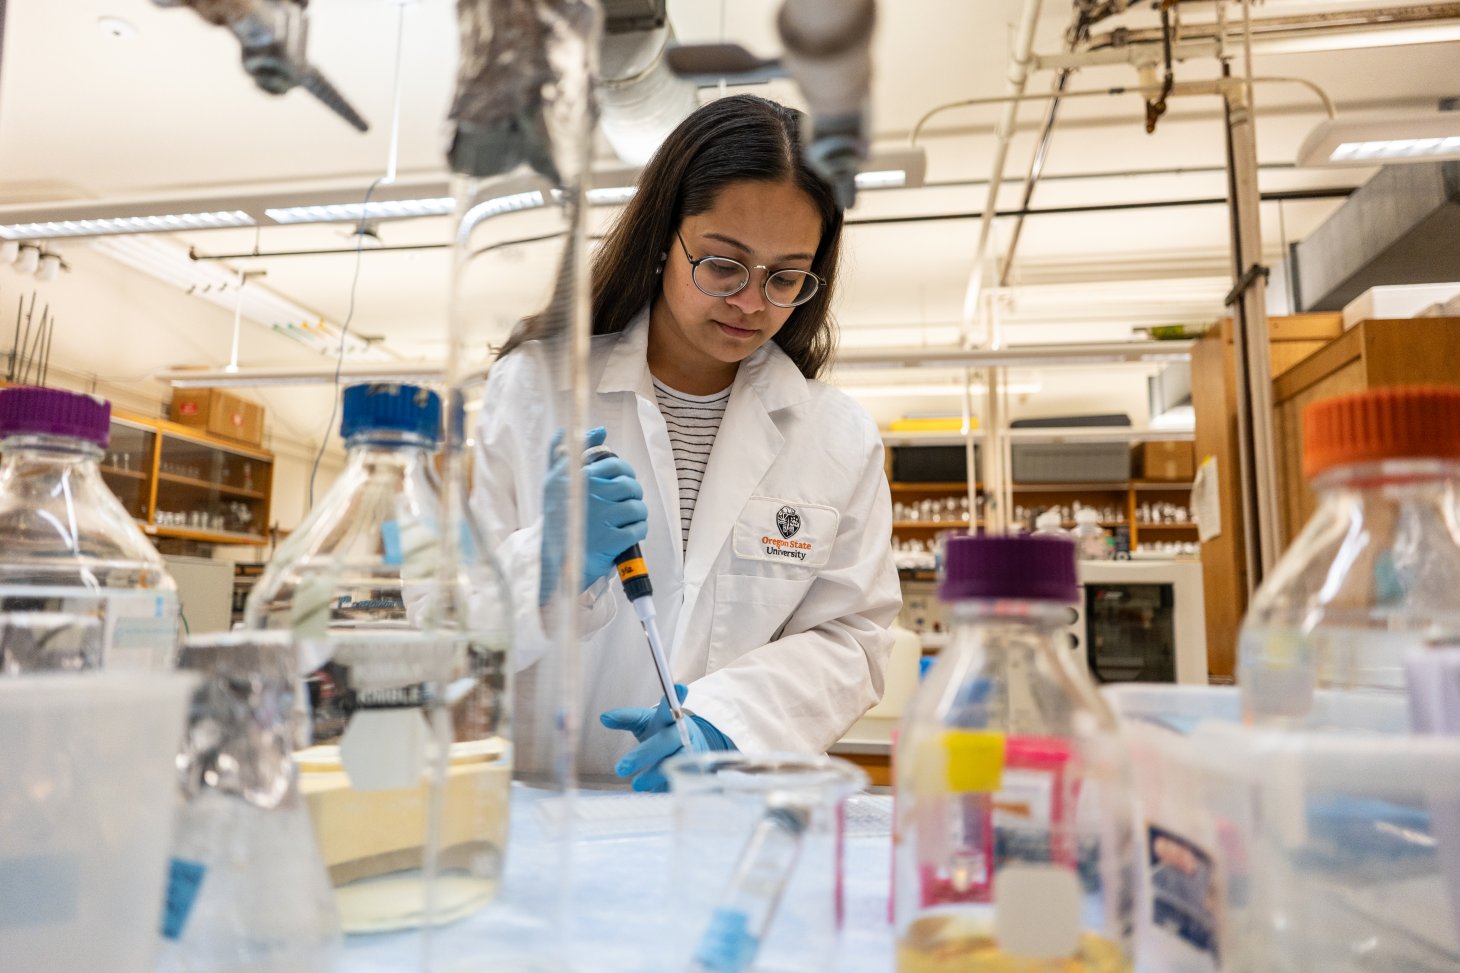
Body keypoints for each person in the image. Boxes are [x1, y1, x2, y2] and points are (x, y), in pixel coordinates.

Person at [474, 94, 900, 790]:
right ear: (662, 238)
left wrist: (724, 722)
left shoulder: (836, 435)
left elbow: (853, 638)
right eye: (723, 265)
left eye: (786, 276)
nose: (751, 303)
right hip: (547, 814)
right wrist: (545, 561)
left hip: (726, 807)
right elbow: (444, 624)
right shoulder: (532, 390)